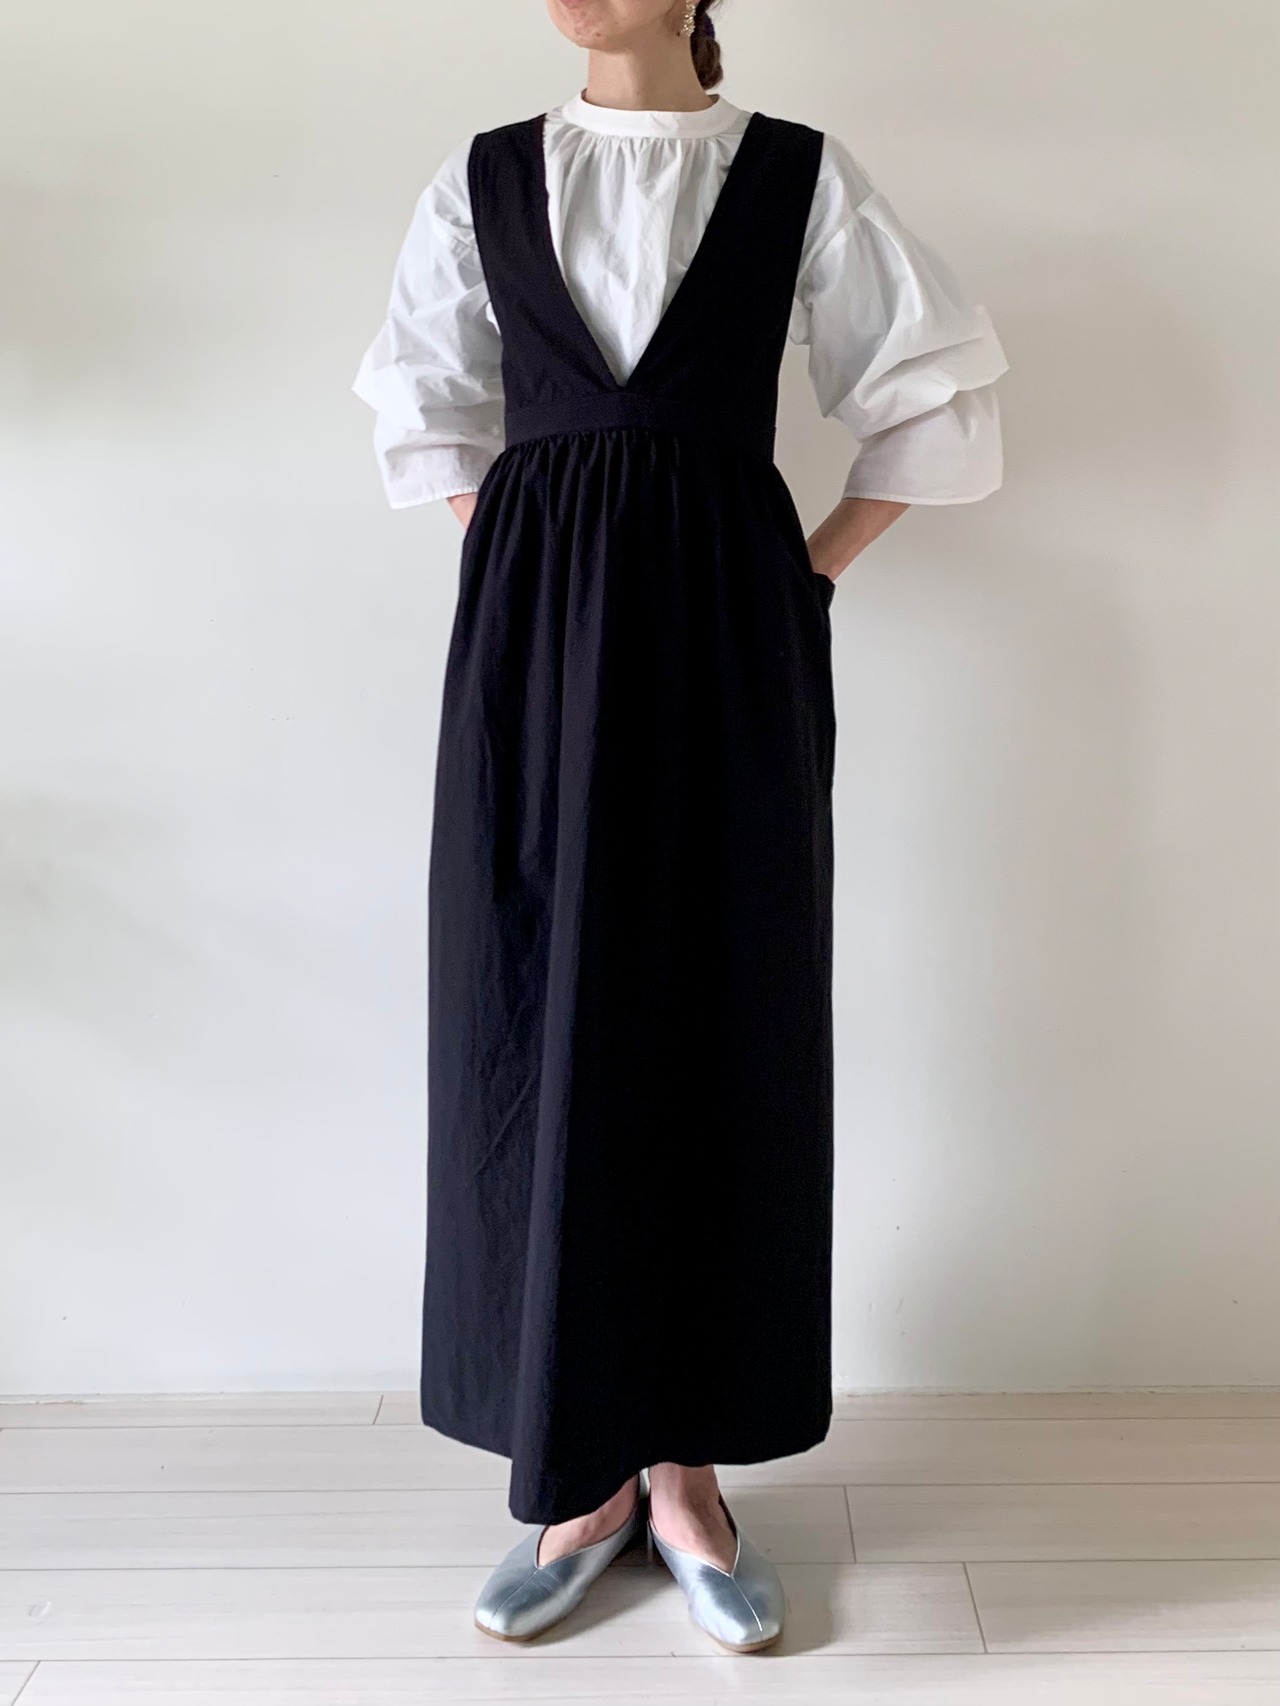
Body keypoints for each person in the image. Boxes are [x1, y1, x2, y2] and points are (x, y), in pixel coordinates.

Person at [353, 0, 1007, 1654]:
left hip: (730, 636)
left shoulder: (795, 178)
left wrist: (803, 576)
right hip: (533, 645)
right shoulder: (487, 181)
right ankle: (574, 1472)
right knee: (532, 1010)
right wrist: (532, 557)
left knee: (721, 1009)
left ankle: (687, 1474)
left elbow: (933, 392)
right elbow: (425, 400)